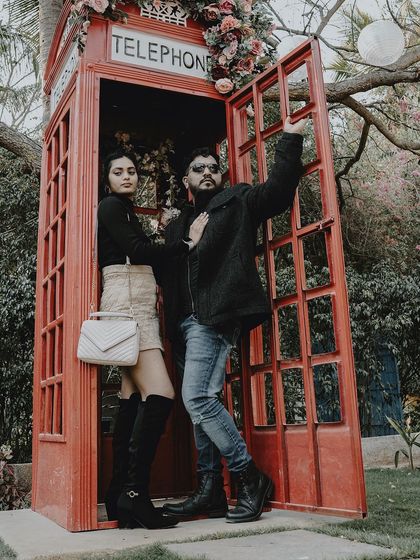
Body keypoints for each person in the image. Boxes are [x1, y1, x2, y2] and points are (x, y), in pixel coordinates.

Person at [162, 116, 307, 523]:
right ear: (185, 180)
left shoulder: (238, 200)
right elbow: (166, 274)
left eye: (214, 167)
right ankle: (209, 490)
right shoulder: (176, 226)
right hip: (184, 325)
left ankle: (248, 478)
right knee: (198, 406)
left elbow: (279, 193)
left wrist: (290, 138)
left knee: (198, 398)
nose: (208, 173)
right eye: (199, 169)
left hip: (216, 314)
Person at [98, 149, 208, 530]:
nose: (127, 176)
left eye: (132, 170)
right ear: (107, 178)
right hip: (129, 303)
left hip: (134, 299)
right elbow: (139, 252)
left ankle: (119, 494)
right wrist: (186, 243)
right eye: (118, 171)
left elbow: (138, 255)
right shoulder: (111, 207)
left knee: (131, 397)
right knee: (161, 392)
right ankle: (135, 493)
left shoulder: (122, 210)